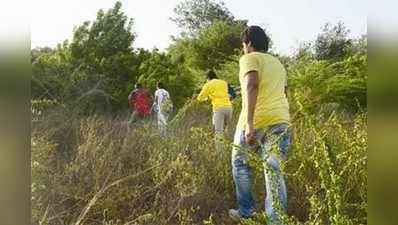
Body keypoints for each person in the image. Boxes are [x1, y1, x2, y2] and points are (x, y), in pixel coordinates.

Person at [229, 26, 291, 224]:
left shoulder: (250, 58)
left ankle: (246, 212)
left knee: (240, 163)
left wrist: (249, 123)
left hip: (258, 120)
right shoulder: (279, 64)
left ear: (248, 43)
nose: (243, 49)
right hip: (281, 122)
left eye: (243, 45)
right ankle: (277, 221)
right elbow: (284, 92)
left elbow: (251, 85)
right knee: (274, 170)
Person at [197, 70, 233, 150]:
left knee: (218, 132)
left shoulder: (208, 84)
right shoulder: (223, 82)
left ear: (207, 78)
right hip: (229, 108)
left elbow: (200, 98)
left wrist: (207, 98)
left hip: (219, 109)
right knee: (225, 131)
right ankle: (228, 149)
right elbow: (230, 93)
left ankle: (220, 155)